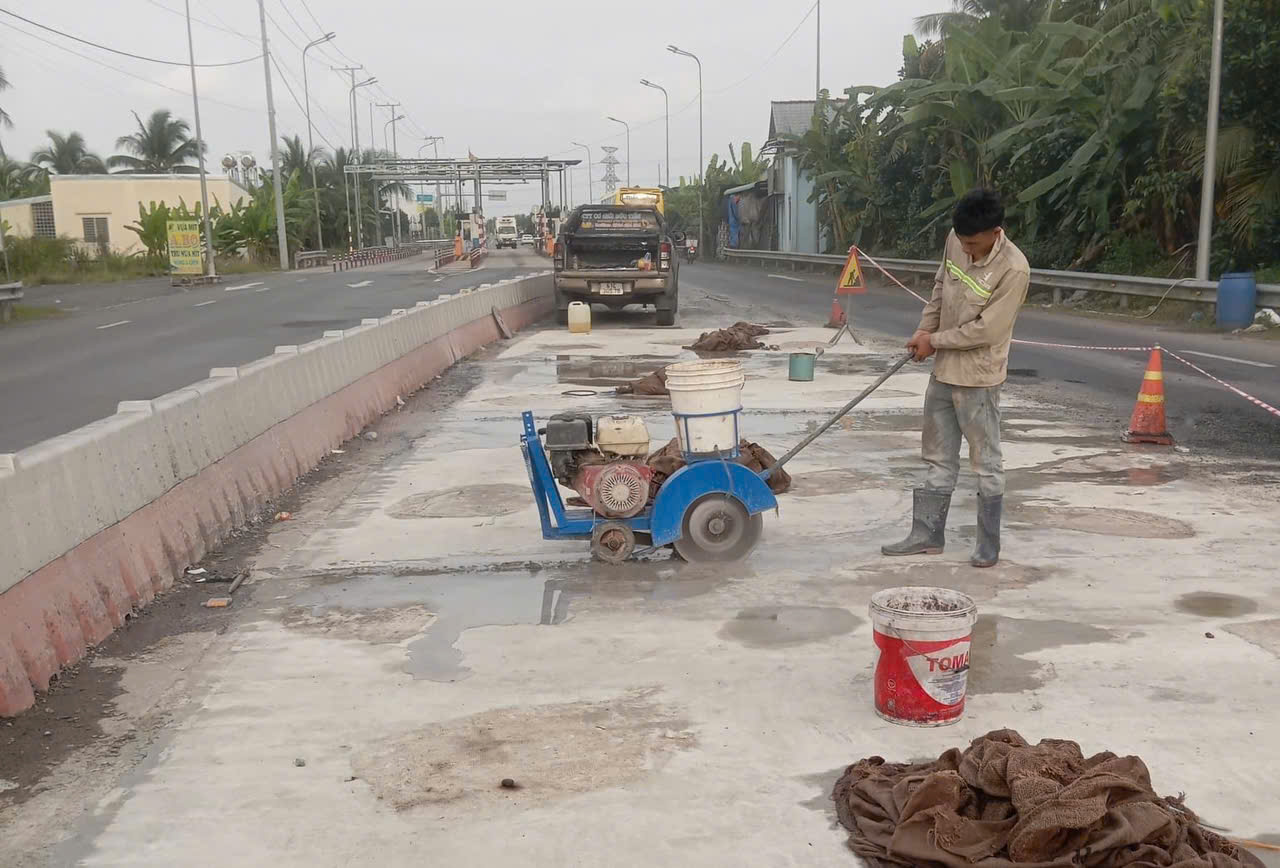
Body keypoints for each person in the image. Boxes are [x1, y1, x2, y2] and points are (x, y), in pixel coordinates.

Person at [882, 188, 1030, 567]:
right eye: (961, 241)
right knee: (937, 456)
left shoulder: (1014, 269)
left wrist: (935, 341)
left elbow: (986, 331)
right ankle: (927, 535)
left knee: (986, 462)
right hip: (944, 371)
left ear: (995, 233)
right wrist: (923, 332)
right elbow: (938, 290)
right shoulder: (955, 239)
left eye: (972, 243)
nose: (965, 249)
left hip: (979, 379)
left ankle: (988, 544)